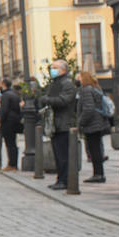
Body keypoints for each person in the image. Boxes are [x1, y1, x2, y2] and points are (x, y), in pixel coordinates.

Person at [38, 60, 77, 189]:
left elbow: (64, 100)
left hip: (63, 124)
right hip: (56, 124)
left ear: (62, 69)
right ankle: (60, 179)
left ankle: (64, 181)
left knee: (63, 155)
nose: (51, 70)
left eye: (54, 68)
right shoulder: (55, 83)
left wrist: (47, 100)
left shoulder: (67, 84)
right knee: (58, 154)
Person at [76, 71, 108, 183]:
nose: (77, 79)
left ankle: (98, 174)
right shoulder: (96, 88)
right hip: (98, 123)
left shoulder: (86, 90)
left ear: (83, 78)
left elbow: (88, 109)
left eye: (79, 77)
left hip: (92, 125)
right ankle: (99, 174)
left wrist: (80, 122)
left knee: (94, 149)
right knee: (96, 149)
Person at [0, 79, 21, 171]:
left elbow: (4, 110)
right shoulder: (14, 94)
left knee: (9, 144)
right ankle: (14, 164)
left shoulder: (5, 96)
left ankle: (11, 164)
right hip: (15, 121)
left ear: (3, 84)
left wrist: (1, 119)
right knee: (13, 144)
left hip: (8, 122)